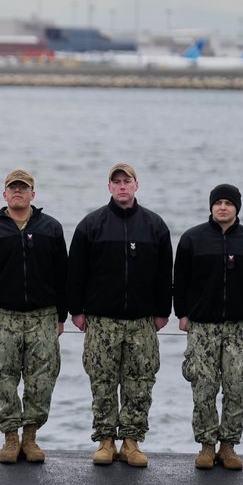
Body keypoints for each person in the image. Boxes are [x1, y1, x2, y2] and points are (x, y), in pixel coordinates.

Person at [67, 162, 173, 468]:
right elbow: (76, 272)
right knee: (102, 381)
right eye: (117, 182)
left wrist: (163, 311)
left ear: (136, 186)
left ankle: (131, 441)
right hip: (102, 321)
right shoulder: (91, 225)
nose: (122, 186)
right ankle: (105, 441)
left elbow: (164, 273)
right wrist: (76, 310)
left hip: (142, 321)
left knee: (140, 382)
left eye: (127, 181)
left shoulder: (154, 225)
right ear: (109, 187)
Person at [0, 169, 69, 464]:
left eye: (23, 188)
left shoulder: (51, 228)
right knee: (4, 378)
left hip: (43, 316)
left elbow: (63, 274)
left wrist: (61, 315)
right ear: (4, 195)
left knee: (42, 379)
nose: (17, 192)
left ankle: (30, 437)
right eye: (12, 188)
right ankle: (11, 437)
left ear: (32, 195)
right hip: (2, 316)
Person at [174, 184, 243, 472]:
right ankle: (207, 445)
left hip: (240, 327)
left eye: (229, 203)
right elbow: (180, 280)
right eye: (218, 203)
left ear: (237, 207)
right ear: (211, 207)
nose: (223, 207)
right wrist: (182, 314)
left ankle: (228, 445)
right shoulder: (192, 239)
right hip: (202, 326)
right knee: (203, 387)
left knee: (238, 386)